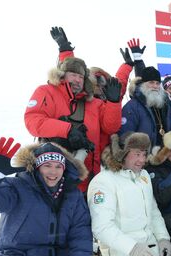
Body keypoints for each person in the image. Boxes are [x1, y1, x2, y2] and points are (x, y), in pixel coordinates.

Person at [87, 132, 171, 256]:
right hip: (123, 251)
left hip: (148, 245)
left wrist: (164, 238)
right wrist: (133, 249)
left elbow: (153, 210)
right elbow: (102, 228)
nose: (142, 160)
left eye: (144, 154)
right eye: (137, 154)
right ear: (121, 154)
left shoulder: (144, 176)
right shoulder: (103, 181)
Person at [24, 49, 122, 193]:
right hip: (53, 175)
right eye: (73, 75)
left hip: (89, 176)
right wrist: (67, 130)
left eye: (81, 77)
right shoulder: (46, 91)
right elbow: (33, 120)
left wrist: (114, 103)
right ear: (62, 75)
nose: (77, 80)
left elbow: (110, 127)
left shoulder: (94, 103)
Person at [120, 67, 171, 147]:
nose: (155, 86)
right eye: (151, 82)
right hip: (143, 155)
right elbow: (125, 136)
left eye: (157, 83)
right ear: (142, 84)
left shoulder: (164, 103)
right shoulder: (132, 106)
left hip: (163, 154)